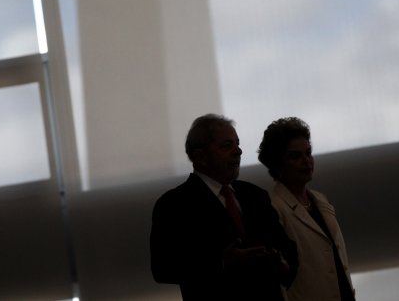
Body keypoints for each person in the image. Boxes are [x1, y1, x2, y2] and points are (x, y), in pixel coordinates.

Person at [150, 114, 298, 301]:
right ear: (201, 156)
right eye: (227, 146)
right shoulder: (174, 204)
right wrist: (221, 262)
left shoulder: (255, 195)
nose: (239, 151)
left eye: (237, 144)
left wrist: (280, 260)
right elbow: (163, 269)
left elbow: (287, 249)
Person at [258, 117, 355, 301]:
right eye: (295, 156)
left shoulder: (320, 200)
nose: (306, 161)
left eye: (308, 153)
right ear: (277, 165)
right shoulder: (273, 207)